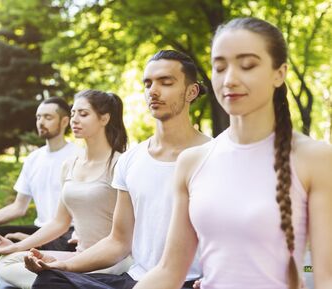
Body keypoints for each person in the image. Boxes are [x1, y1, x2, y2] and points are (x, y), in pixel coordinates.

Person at [134, 17, 332, 289]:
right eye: (219, 67)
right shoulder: (192, 162)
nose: (229, 79)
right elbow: (169, 271)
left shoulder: (315, 158)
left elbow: (326, 277)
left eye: (247, 65)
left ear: (279, 73)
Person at [26, 50, 210, 289]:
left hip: (190, 283)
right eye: (148, 84)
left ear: (191, 91)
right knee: (50, 280)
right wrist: (65, 265)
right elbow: (118, 241)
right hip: (135, 280)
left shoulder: (213, 155)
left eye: (166, 82)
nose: (153, 91)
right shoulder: (132, 159)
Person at [0, 89, 132, 289]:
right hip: (79, 255)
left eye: (83, 114)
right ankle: (74, 283)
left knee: (49, 276)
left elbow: (129, 232)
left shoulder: (121, 164)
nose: (75, 119)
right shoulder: (69, 164)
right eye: (73, 113)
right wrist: (16, 246)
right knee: (7, 263)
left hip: (113, 261)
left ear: (104, 118)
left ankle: (67, 281)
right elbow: (59, 222)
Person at [0, 97, 81, 252]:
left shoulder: (78, 156)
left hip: (68, 232)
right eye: (38, 117)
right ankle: (30, 244)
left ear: (64, 121)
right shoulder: (33, 158)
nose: (41, 122)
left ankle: (29, 244)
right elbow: (18, 207)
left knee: (70, 244)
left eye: (48, 117)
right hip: (40, 229)